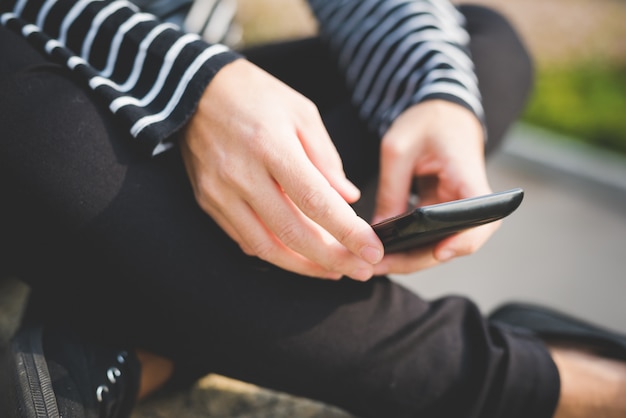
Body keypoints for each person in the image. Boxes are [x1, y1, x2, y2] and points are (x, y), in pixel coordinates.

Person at [0, 0, 625, 417]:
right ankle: (529, 376)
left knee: (481, 43)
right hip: (48, 85)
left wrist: (429, 92)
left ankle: (140, 337)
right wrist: (191, 85)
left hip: (178, 104)